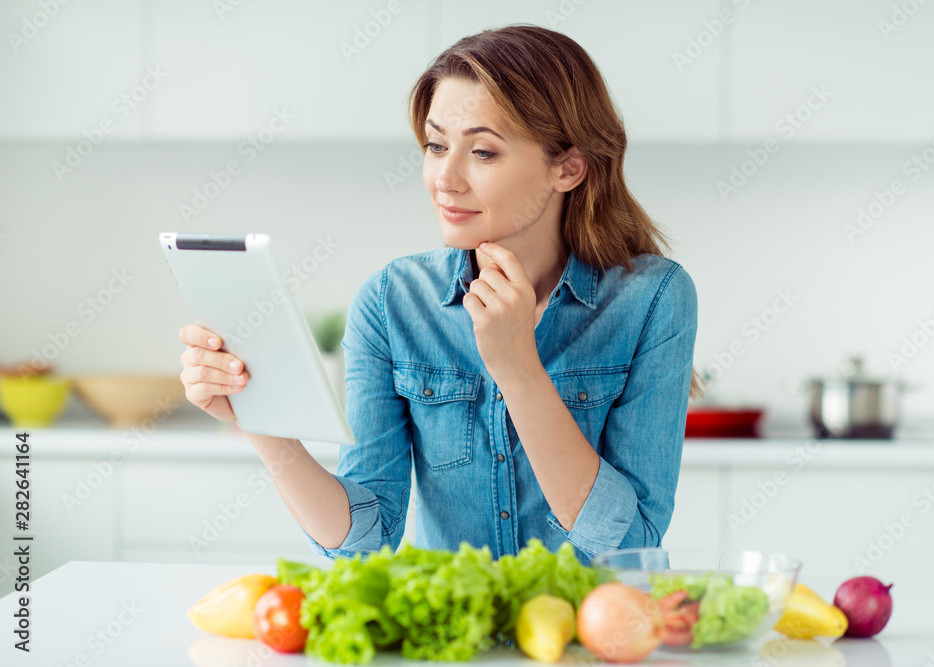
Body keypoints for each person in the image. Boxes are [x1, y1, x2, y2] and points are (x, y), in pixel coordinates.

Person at [178, 25, 702, 566]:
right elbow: (366, 539)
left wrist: (518, 368)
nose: (444, 179)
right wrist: (262, 421)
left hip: (589, 642)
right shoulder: (392, 301)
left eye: (482, 151)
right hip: (455, 645)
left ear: (567, 167)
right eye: (435, 146)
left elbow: (632, 545)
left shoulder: (653, 299)